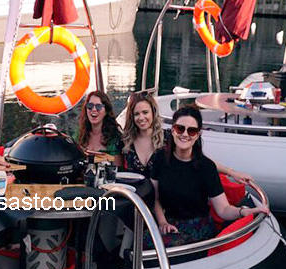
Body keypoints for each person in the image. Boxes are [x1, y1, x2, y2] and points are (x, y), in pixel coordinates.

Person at [151, 105, 269, 247]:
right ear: (172, 130)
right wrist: (162, 222)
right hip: (168, 223)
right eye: (180, 128)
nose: (185, 134)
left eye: (192, 131)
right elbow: (155, 198)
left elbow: (223, 209)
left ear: (198, 134)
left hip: (198, 228)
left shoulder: (206, 167)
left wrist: (243, 211)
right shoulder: (159, 158)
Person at [122, 91, 254, 183]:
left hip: (163, 201)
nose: (141, 118)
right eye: (136, 114)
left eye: (145, 112)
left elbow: (199, 159)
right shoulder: (126, 141)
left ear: (153, 113)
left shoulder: (169, 136)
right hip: (134, 200)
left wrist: (232, 173)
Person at [74, 90, 123, 167]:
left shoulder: (114, 136)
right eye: (90, 106)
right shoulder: (79, 133)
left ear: (106, 111)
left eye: (98, 106)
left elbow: (117, 168)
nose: (94, 109)